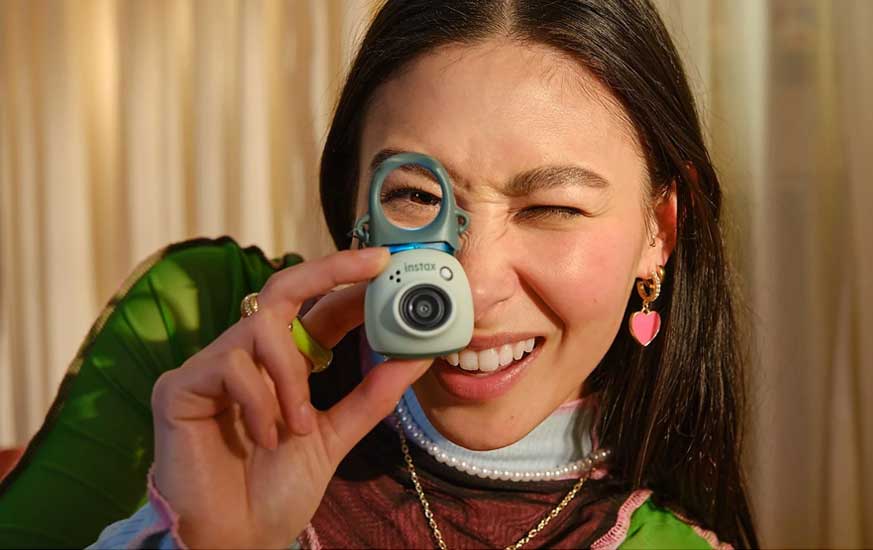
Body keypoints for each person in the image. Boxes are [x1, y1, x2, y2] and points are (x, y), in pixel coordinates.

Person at [88, 0, 758, 547]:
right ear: (354, 203)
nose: (473, 283)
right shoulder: (214, 411)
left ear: (658, 233)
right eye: (415, 197)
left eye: (551, 207)